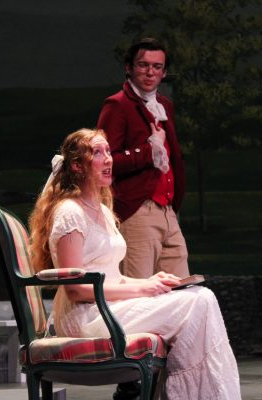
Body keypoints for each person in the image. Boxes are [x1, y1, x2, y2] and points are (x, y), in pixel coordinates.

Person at [28, 129, 241, 400]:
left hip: (107, 308)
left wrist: (154, 282)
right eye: (97, 153)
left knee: (199, 296)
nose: (108, 159)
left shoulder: (102, 211)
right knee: (200, 301)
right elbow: (76, 290)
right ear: (77, 166)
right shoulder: (70, 213)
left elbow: (113, 276)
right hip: (85, 316)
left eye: (108, 151)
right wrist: (144, 290)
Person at [97, 37, 189, 280]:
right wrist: (148, 151)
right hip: (137, 211)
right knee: (138, 296)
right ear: (129, 68)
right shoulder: (117, 105)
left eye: (157, 67)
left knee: (179, 292)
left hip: (168, 212)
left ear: (164, 72)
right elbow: (104, 162)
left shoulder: (164, 105)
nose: (150, 72)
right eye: (143, 65)